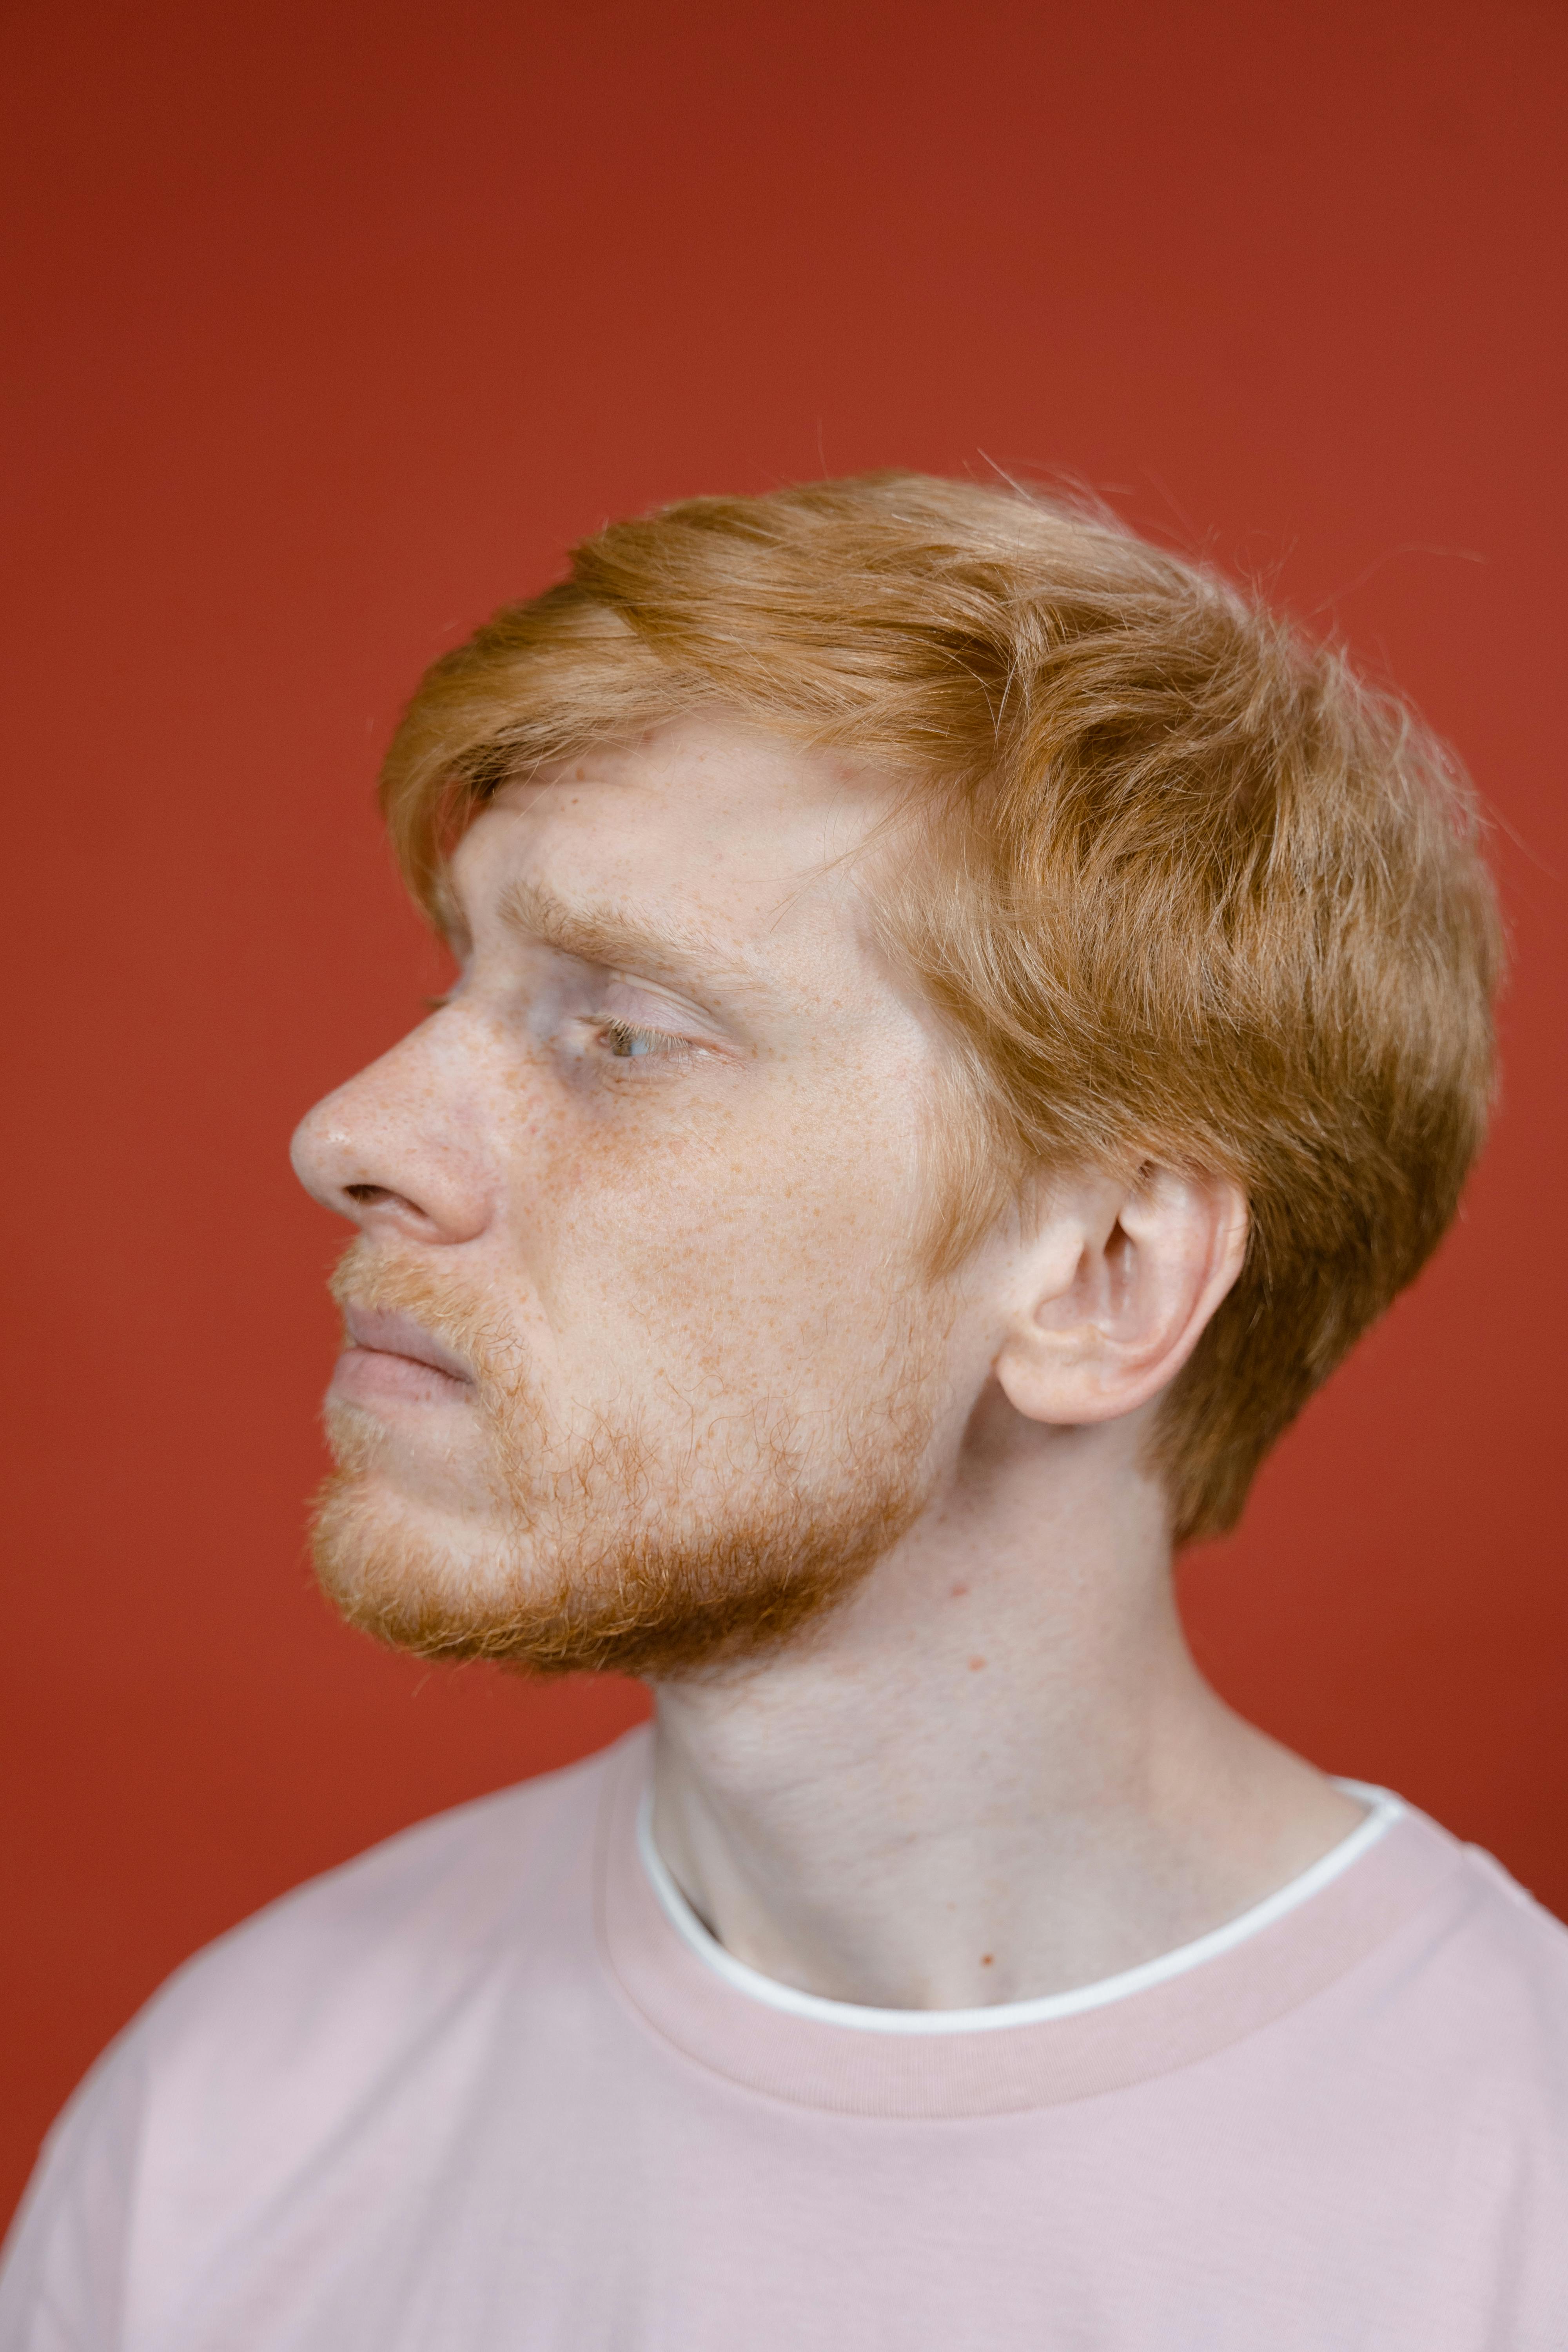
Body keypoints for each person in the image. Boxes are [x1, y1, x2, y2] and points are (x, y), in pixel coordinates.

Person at [2, 472, 1563, 2350]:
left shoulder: (1514, 2210)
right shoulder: (231, 2135)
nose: (351, 1134)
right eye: (461, 981)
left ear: (1103, 1281)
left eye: (625, 1036)